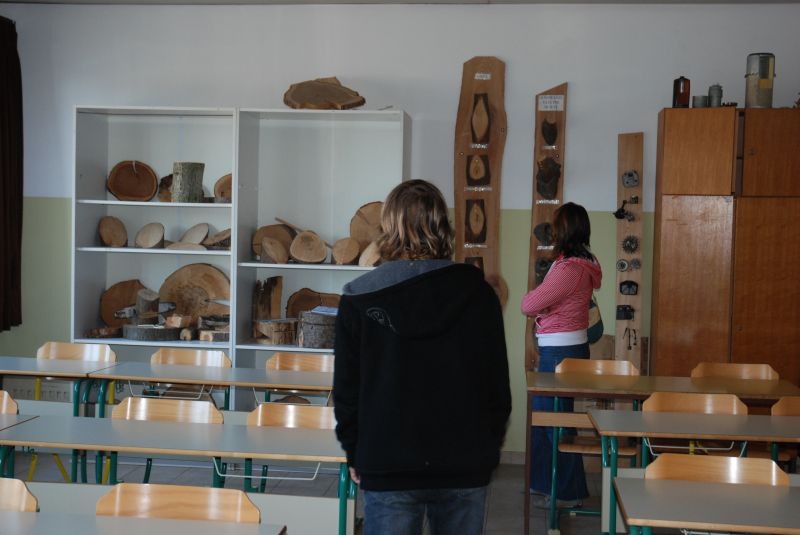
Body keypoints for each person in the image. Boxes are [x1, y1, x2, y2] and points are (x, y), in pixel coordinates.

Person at [333, 179, 511, 535]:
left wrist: (355, 450)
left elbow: (347, 392)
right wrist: (486, 449)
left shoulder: (358, 299)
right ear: (442, 225)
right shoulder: (478, 294)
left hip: (387, 461)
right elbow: (497, 387)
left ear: (388, 226)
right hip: (464, 461)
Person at [520, 202, 602, 505]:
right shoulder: (580, 262)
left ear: (565, 230)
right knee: (548, 419)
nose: (552, 231)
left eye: (556, 226)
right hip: (566, 347)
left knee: (552, 420)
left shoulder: (569, 269)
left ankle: (568, 491)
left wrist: (544, 305)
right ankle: (546, 484)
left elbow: (528, 305)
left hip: (559, 350)